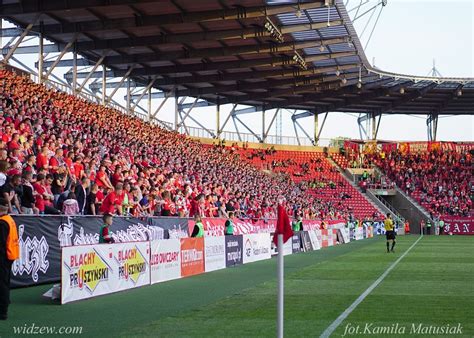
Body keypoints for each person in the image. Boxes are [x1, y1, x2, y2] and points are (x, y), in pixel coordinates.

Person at [0, 197, 20, 320]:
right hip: (10, 255)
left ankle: (2, 311)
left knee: (1, 284)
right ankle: (5, 303)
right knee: (4, 283)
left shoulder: (2, 223)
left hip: (3, 256)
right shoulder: (9, 219)